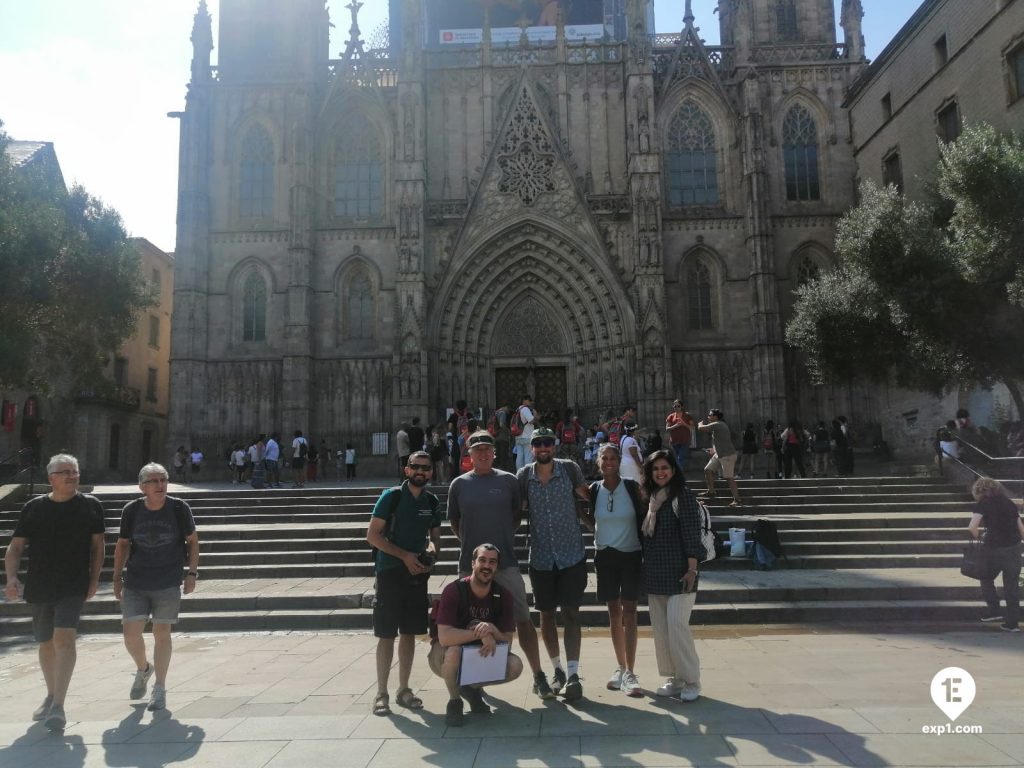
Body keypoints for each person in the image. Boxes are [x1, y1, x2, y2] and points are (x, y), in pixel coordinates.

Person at [3, 454, 105, 731]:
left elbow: (98, 546)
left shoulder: (90, 506)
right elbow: (15, 547)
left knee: (64, 639)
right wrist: (12, 578)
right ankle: (51, 695)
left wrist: (94, 579)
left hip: (73, 584)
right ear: (51, 479)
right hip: (40, 584)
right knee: (45, 641)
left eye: (75, 471)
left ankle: (59, 705)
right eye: (65, 472)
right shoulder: (34, 507)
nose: (72, 476)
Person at [447, 431, 551, 699]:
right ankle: (472, 682)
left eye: (487, 449)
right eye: (477, 449)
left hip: (505, 562)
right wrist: (476, 552)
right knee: (469, 623)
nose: (482, 453)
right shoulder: (458, 484)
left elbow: (516, 516)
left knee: (523, 619)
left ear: (494, 452)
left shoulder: (508, 482)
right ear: (468, 454)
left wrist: (496, 544)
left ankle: (539, 675)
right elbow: (455, 523)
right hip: (470, 566)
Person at [112, 463, 200, 712]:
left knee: (162, 633)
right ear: (142, 487)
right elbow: (122, 544)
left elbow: (193, 542)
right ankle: (143, 668)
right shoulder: (132, 510)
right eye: (153, 481)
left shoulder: (178, 508)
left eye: (163, 480)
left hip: (168, 580)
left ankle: (159, 687)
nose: (160, 485)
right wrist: (116, 577)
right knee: (131, 633)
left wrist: (192, 573)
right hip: (137, 580)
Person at [517, 427, 590, 701]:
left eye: (547, 443)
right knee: (546, 614)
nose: (543, 447)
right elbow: (513, 509)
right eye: (538, 443)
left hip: (571, 554)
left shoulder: (569, 469)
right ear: (531, 447)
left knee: (571, 612)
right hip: (542, 557)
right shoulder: (524, 476)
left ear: (555, 446)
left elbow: (589, 495)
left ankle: (572, 674)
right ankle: (557, 669)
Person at [366, 451, 441, 715]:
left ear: (432, 471)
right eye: (416, 467)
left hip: (417, 574)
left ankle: (404, 689)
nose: (421, 471)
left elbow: (434, 537)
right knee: (386, 633)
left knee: (409, 632)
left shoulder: (431, 501)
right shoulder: (392, 497)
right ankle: (381, 693)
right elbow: (373, 535)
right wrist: (405, 556)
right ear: (406, 469)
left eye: (426, 467)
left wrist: (430, 554)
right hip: (389, 571)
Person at [429, 543, 524, 727]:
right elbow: (445, 638)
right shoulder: (454, 590)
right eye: (482, 560)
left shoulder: (503, 595)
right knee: (454, 651)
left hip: (477, 654)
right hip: (443, 654)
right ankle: (454, 701)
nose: (486, 566)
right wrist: (480, 634)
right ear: (473, 563)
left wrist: (492, 630)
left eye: (492, 562)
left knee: (515, 665)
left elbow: (507, 644)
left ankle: (470, 687)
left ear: (497, 567)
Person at [640, 449, 704, 702]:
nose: (660, 472)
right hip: (656, 572)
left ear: (674, 470)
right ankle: (674, 677)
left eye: (665, 467)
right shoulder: (650, 499)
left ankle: (691, 679)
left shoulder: (683, 497)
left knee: (677, 626)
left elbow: (692, 534)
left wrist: (692, 569)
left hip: (681, 573)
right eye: (655, 469)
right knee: (662, 629)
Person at [581, 444, 644, 697]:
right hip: (604, 554)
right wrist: (581, 518)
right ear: (598, 462)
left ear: (619, 461)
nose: (608, 462)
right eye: (604, 458)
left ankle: (631, 671)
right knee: (613, 612)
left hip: (630, 553)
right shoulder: (594, 490)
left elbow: (647, 510)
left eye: (613, 458)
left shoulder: (632, 487)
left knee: (630, 611)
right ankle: (620, 667)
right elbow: (593, 520)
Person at [968, 477, 1023, 632]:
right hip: (1013, 548)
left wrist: (980, 537)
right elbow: (1021, 529)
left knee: (986, 578)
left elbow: (972, 527)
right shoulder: (1009, 503)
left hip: (993, 548)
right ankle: (1012, 624)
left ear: (979, 491)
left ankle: (994, 611)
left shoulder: (983, 504)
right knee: (1011, 585)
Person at [697, 409, 742, 507]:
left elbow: (701, 429)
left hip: (727, 455)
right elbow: (720, 440)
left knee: (729, 478)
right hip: (719, 454)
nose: (708, 417)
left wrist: (699, 424)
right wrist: (714, 450)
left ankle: (737, 500)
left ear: (715, 416)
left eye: (709, 415)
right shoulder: (718, 425)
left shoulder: (718, 424)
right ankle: (711, 491)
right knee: (708, 470)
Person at [665, 400, 695, 471]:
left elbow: (692, 427)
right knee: (677, 458)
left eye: (678, 406)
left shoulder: (687, 416)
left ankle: (678, 474)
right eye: (675, 406)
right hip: (674, 441)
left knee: (680, 458)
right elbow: (667, 429)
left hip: (685, 440)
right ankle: (678, 473)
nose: (676, 407)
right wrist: (676, 425)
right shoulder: (671, 416)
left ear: (682, 407)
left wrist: (683, 424)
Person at [513, 395, 536, 471]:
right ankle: (527, 473)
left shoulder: (518, 409)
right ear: (525, 400)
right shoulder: (525, 409)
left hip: (518, 436)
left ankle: (519, 472)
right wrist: (535, 415)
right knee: (528, 456)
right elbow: (531, 420)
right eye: (529, 401)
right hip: (526, 436)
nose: (530, 402)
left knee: (519, 456)